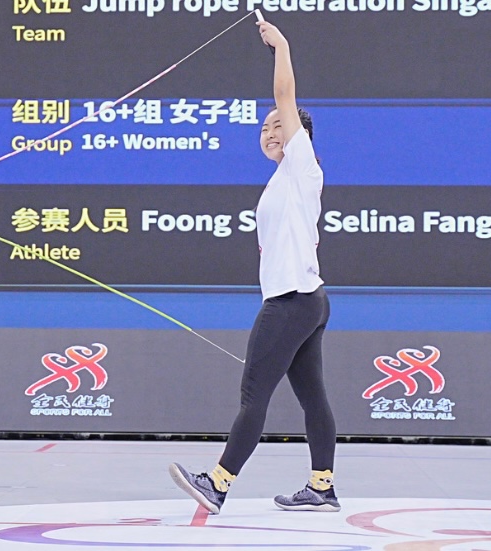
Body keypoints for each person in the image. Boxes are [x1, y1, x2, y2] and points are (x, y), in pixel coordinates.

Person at [168, 18, 338, 514]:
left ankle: (217, 483)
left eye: (278, 125)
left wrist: (280, 45)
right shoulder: (284, 180)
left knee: (253, 395)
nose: (269, 131)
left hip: (290, 302)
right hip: (308, 300)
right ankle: (322, 486)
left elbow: (285, 92)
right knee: (312, 397)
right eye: (263, 128)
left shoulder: (303, 164)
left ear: (300, 135)